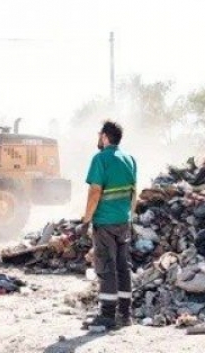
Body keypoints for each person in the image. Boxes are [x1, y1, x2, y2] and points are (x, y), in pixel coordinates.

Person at [81, 120, 137, 331]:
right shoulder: (130, 159)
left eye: (99, 134)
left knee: (106, 267)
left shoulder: (100, 159)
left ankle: (107, 316)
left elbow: (95, 192)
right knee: (123, 267)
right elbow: (134, 193)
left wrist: (86, 219)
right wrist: (129, 217)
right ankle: (125, 314)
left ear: (105, 136)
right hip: (124, 221)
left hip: (104, 222)